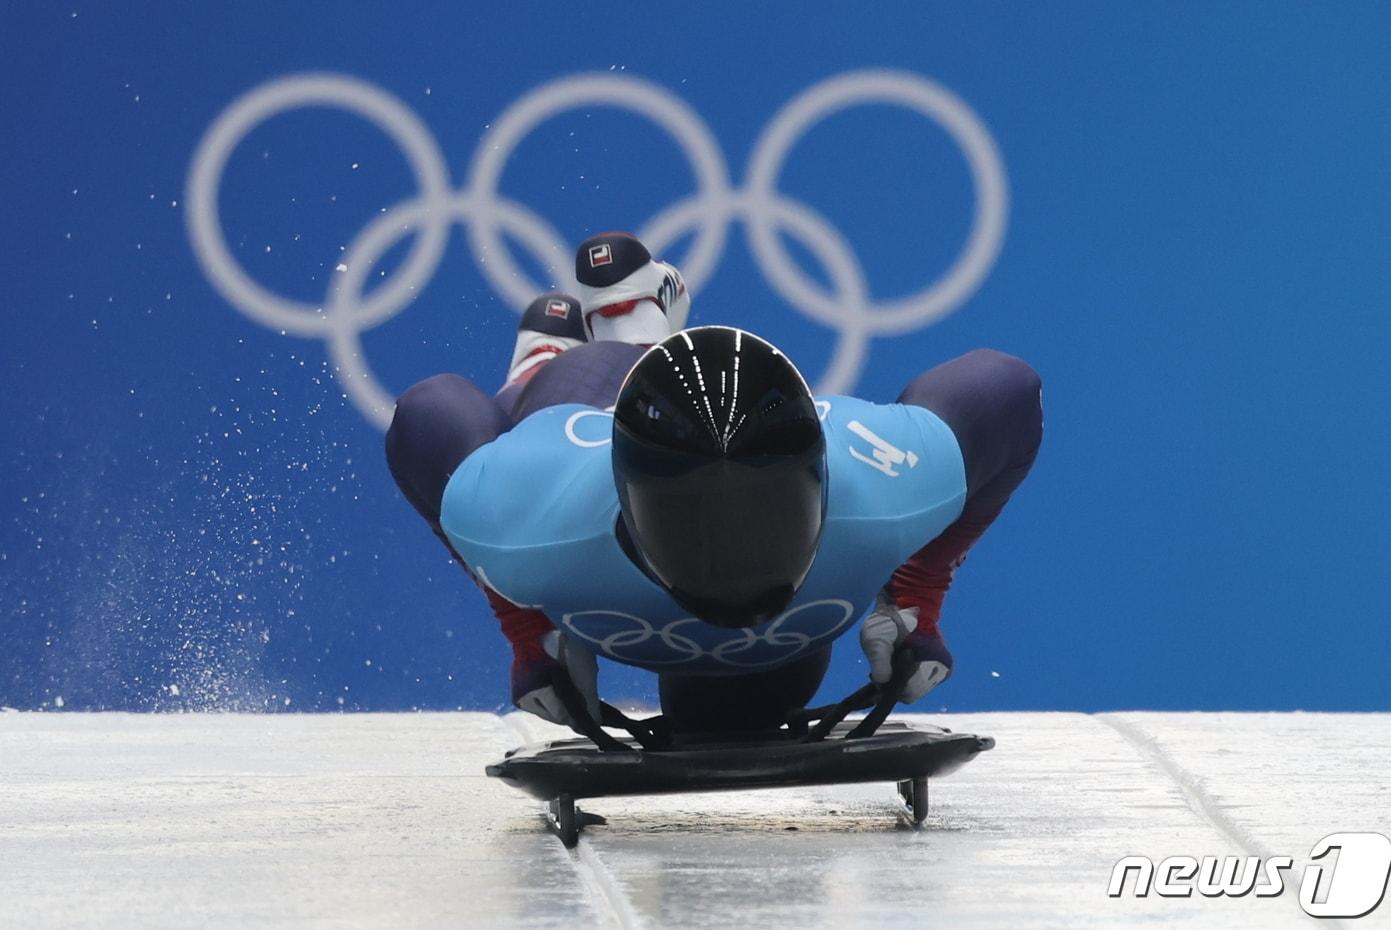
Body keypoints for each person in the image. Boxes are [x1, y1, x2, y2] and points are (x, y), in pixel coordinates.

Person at [385, 232, 1041, 734]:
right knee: (535, 423)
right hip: (584, 465)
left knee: (540, 415)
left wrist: (530, 633)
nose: (733, 550)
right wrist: (917, 598)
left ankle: (565, 356)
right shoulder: (888, 492)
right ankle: (583, 349)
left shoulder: (529, 527)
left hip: (573, 467)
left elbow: (427, 410)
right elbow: (1008, 388)